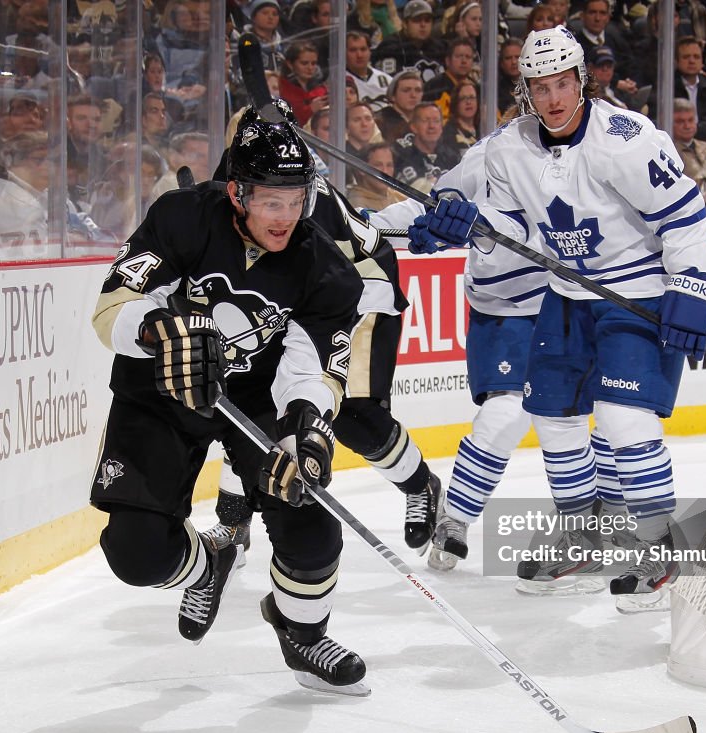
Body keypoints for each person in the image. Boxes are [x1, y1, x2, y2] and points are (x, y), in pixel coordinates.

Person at [409, 27, 706, 598]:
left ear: (582, 80)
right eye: (539, 86)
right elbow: (511, 226)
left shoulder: (625, 140)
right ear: (526, 88)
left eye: (561, 84)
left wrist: (693, 285)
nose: (552, 98)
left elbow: (685, 214)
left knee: (624, 419)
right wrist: (469, 222)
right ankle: (581, 533)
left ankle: (658, 549)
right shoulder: (508, 148)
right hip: (566, 293)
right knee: (553, 417)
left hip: (636, 290)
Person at [89, 111, 370, 695]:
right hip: (160, 387)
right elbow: (111, 308)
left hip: (255, 397)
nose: (286, 217)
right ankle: (207, 564)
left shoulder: (327, 270)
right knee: (136, 555)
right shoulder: (181, 217)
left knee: (310, 518)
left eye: (297, 200)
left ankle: (303, 633)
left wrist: (306, 434)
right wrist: (157, 330)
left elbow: (314, 369)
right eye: (272, 201)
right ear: (238, 192)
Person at [368, 132, 628, 581]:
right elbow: (435, 204)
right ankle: (455, 518)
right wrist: (370, 223)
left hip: (566, 300)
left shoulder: (585, 160)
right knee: (505, 414)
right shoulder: (489, 152)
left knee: (607, 411)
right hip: (503, 310)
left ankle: (603, 519)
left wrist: (475, 229)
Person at [206, 101, 445, 566]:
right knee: (253, 405)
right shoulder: (237, 182)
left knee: (350, 413)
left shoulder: (298, 191)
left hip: (362, 292)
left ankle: (421, 487)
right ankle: (233, 522)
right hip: (306, 298)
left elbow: (343, 271)